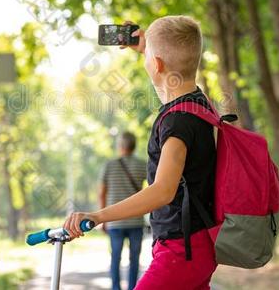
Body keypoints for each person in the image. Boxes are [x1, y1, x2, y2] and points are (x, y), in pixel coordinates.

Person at [64, 15, 218, 289]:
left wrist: (98, 216)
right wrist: (146, 45)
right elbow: (171, 69)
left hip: (181, 250)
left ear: (156, 65)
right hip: (198, 243)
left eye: (149, 56)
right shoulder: (199, 105)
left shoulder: (177, 123)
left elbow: (162, 191)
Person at [99, 131, 147, 290]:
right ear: (134, 146)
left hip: (114, 220)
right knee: (135, 259)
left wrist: (103, 219)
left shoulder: (109, 165)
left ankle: (116, 288)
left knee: (115, 258)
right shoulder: (142, 165)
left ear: (120, 146)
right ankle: (133, 287)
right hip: (136, 220)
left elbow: (102, 193)